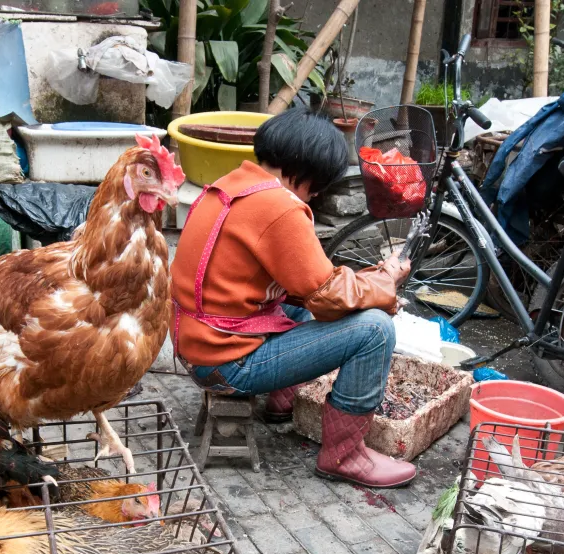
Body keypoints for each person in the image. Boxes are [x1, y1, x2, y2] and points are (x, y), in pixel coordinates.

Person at [171, 110, 415, 488]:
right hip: (225, 365)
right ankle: (345, 456)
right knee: (376, 330)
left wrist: (369, 281)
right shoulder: (279, 207)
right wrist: (386, 280)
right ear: (310, 172)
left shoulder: (231, 185)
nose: (317, 194)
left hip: (195, 343)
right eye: (319, 186)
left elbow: (307, 285)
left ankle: (280, 403)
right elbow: (328, 295)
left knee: (297, 307)